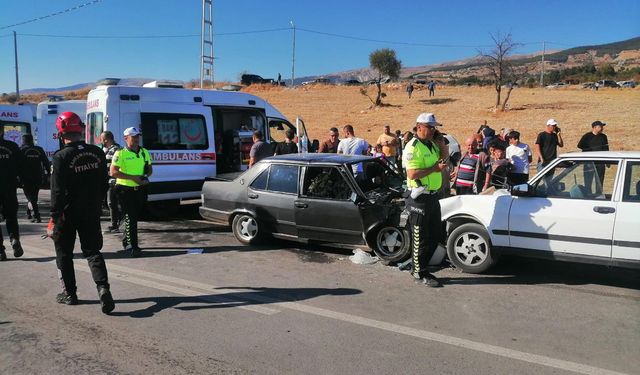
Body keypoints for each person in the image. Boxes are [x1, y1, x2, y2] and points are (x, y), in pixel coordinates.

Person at [48, 111, 114, 313]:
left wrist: (53, 218)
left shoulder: (60, 157)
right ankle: (103, 288)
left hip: (67, 214)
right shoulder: (97, 152)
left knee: (64, 254)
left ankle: (70, 294)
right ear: (81, 128)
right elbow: (104, 183)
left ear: (61, 132)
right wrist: (97, 203)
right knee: (93, 251)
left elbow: (57, 192)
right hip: (90, 211)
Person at [403, 113, 447, 287]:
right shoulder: (413, 147)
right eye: (430, 127)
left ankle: (421, 265)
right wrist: (435, 168)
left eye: (434, 127)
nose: (432, 130)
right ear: (419, 126)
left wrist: (442, 144)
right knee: (420, 237)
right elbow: (412, 173)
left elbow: (444, 159)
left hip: (433, 196)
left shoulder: (431, 145)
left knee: (435, 234)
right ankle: (418, 271)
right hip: (419, 198)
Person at [111, 127, 152, 258]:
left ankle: (129, 241)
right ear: (125, 138)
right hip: (124, 190)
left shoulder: (144, 152)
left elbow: (149, 169)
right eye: (133, 137)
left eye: (137, 136)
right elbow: (113, 172)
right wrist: (133, 178)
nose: (136, 139)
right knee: (130, 218)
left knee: (132, 218)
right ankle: (131, 246)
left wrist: (145, 177)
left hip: (139, 190)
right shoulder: (120, 153)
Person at [0, 126, 24, 261]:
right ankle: (14, 238)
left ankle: (0, 251)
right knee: (11, 217)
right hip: (9, 187)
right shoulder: (12, 146)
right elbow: (21, 165)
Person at [20, 134, 50, 223]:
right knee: (33, 196)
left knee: (30, 197)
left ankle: (37, 215)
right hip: (37, 176)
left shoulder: (22, 150)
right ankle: (29, 212)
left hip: (26, 177)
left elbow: (17, 164)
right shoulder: (39, 149)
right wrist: (48, 173)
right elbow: (46, 162)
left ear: (24, 141)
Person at [578, 120, 609, 193]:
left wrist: (608, 161)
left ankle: (599, 195)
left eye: (602, 127)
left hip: (601, 163)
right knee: (588, 182)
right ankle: (588, 196)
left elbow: (606, 149)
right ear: (594, 127)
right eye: (600, 127)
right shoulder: (587, 136)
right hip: (589, 163)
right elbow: (580, 145)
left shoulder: (604, 137)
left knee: (600, 182)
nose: (602, 128)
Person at [101, 131, 122, 233]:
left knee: (113, 203)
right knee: (110, 203)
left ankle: (116, 225)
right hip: (108, 181)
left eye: (102, 139)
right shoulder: (106, 149)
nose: (101, 141)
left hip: (115, 181)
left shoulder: (117, 149)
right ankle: (116, 224)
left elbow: (116, 165)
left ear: (106, 139)